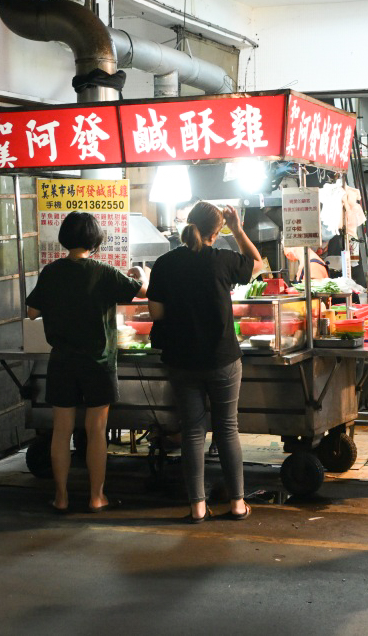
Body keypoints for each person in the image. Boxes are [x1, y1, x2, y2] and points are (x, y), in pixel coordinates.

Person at [147, 201, 263, 523]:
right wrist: (237, 230)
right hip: (222, 358)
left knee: (192, 432)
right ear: (216, 231)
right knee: (227, 429)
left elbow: (155, 313)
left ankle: (197, 507)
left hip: (181, 359)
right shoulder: (223, 259)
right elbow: (257, 263)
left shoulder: (165, 263)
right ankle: (237, 503)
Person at [26, 211, 148, 514]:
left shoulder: (51, 272)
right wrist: (141, 275)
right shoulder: (103, 272)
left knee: (61, 431)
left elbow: (32, 312)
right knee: (96, 430)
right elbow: (143, 292)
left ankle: (61, 497)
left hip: (62, 361)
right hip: (98, 361)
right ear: (95, 240)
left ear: (64, 238)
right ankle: (96, 497)